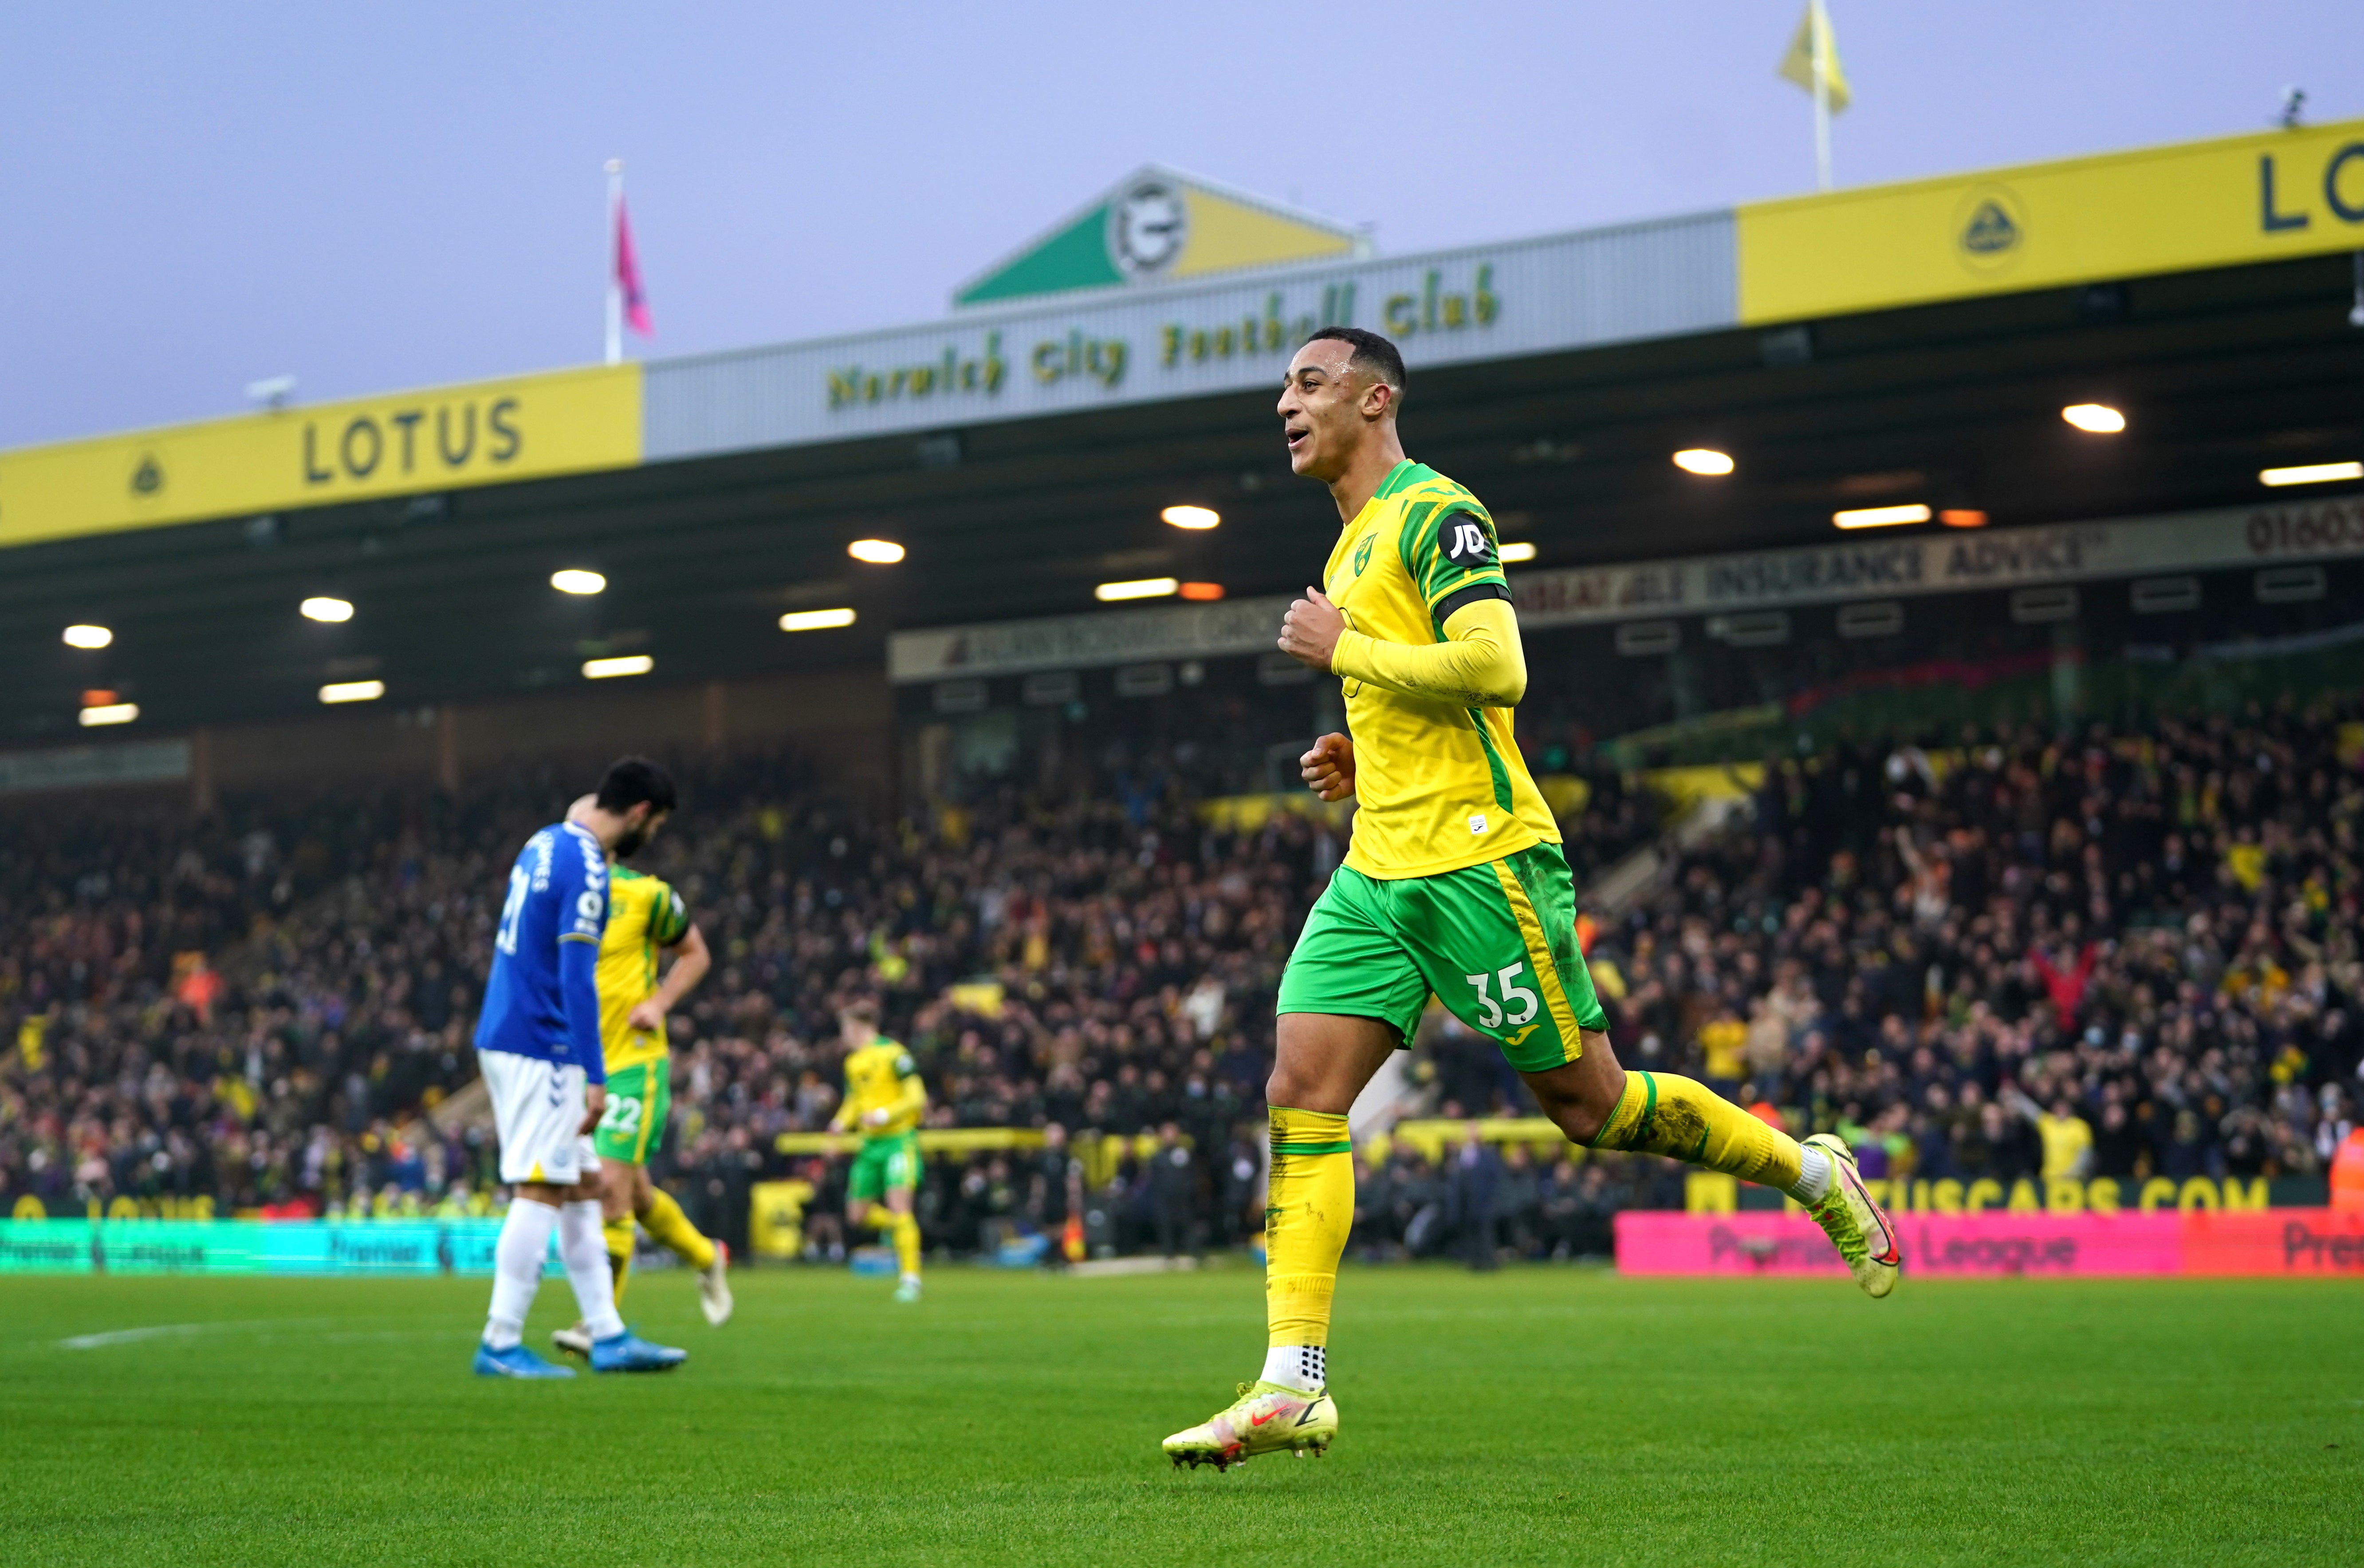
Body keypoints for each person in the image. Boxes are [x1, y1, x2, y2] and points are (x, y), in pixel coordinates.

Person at [1162, 328, 1898, 1470]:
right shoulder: (1353, 540)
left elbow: (1497, 666)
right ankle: (1290, 1382)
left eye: (1307, 385)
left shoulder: (1435, 511)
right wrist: (1362, 755)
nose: (1284, 405)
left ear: (1374, 397)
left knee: (1590, 1108)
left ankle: (1812, 1171)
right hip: (1375, 874)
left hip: (1481, 864)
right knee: (1300, 1090)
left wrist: (1348, 648)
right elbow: (1429, 694)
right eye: (1284, 389)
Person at [470, 757, 687, 1377]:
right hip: (542, 1043)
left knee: (584, 1187)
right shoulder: (590, 866)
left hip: (511, 1027)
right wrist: (595, 1071)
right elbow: (576, 975)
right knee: (542, 1184)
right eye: (657, 825)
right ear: (641, 813)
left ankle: (609, 1333)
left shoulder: (543, 842)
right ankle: (501, 1339)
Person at [550, 793, 732, 1361]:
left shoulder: (648, 895)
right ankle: (706, 1257)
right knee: (638, 1192)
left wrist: (659, 1001)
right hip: (579, 1065)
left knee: (610, 1190)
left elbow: (696, 953)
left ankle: (597, 1324)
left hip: (632, 1062)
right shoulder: (555, 895)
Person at [828, 999, 927, 1303]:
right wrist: (837, 1125)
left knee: (900, 1205)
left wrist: (884, 1115)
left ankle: (910, 1278)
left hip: (898, 1140)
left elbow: (917, 1098)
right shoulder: (853, 1062)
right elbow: (855, 1100)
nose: (844, 1035)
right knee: (857, 1214)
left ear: (858, 1027)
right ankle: (900, 1230)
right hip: (870, 1145)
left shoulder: (895, 1054)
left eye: (845, 1028)